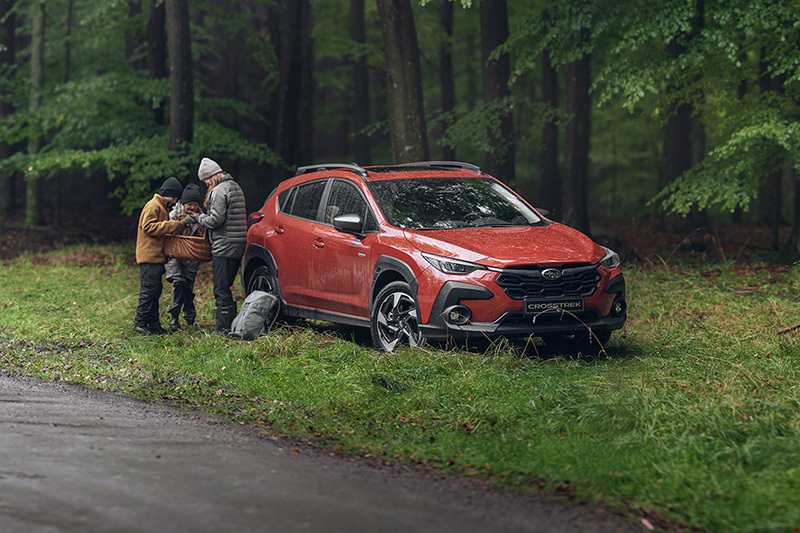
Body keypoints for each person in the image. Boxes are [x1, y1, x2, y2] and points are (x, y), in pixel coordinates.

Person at [195, 158, 247, 335]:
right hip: (238, 243)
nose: (206, 184)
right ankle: (230, 325)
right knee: (227, 285)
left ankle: (223, 328)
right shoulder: (235, 187)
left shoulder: (219, 191)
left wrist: (197, 218)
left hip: (224, 245)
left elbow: (215, 221)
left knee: (220, 288)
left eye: (206, 180)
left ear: (212, 176)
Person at [134, 177, 190, 335]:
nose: (176, 201)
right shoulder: (154, 205)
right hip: (149, 256)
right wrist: (173, 225)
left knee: (155, 291)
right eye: (175, 197)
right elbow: (148, 227)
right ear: (171, 195)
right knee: (148, 291)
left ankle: (153, 324)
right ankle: (140, 322)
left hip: (156, 257)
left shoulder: (162, 206)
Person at [166, 183, 204, 331]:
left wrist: (199, 222)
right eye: (189, 204)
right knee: (178, 282)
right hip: (174, 255)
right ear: (183, 203)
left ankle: (189, 315)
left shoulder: (201, 216)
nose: (192, 207)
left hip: (192, 256)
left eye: (195, 204)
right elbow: (168, 230)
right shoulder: (174, 214)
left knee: (187, 286)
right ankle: (174, 316)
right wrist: (181, 222)